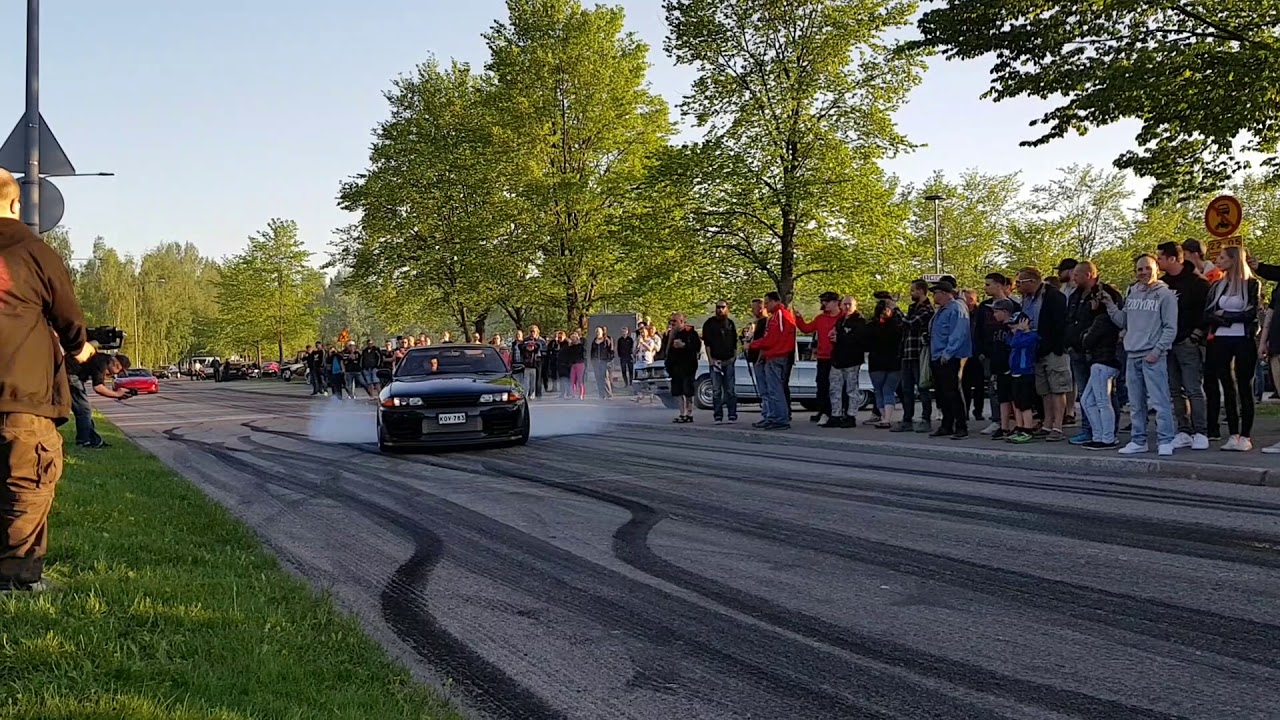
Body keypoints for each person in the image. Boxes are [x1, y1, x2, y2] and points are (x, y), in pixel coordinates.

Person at [1, 168, 96, 592]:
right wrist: (84, 352)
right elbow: (68, 317)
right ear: (16, 203)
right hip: (21, 394)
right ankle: (17, 580)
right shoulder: (33, 249)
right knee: (26, 484)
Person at [1103, 254, 1178, 455]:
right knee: (1136, 402)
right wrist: (1110, 305)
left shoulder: (1165, 295)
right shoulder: (1132, 292)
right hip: (1133, 353)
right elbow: (1124, 321)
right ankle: (1138, 440)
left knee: (1159, 400)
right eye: (1139, 269)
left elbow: (1170, 328)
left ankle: (1166, 440)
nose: (1143, 272)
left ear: (1156, 269)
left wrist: (1157, 351)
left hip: (1152, 354)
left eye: (1147, 268)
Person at [1204, 246, 1262, 452]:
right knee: (1227, 386)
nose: (1218, 261)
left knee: (1244, 386)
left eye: (1222, 257)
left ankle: (1246, 435)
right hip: (1221, 340)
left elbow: (1251, 313)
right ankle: (1233, 433)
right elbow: (1209, 313)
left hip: (1243, 339)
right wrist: (1224, 317)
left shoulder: (1252, 284)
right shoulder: (1218, 285)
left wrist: (1226, 317)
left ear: (1234, 260)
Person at [1157, 242, 1212, 450]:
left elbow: (1206, 312)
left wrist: (1196, 335)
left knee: (1193, 388)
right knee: (1174, 389)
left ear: (1173, 259)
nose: (1158, 261)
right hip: (1166, 343)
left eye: (1161, 257)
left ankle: (1201, 431)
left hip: (1187, 342)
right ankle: (1183, 430)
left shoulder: (1198, 283)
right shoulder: (1161, 285)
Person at [1016, 267, 1070, 441]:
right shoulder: (1026, 299)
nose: (1017, 286)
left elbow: (1060, 324)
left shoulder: (1053, 296)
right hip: (1035, 350)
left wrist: (1054, 346)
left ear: (1031, 281)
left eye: (1020, 282)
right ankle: (1047, 423)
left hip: (1053, 350)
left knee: (1057, 388)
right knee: (1043, 390)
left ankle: (1058, 426)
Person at [1078, 287, 1123, 450]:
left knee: (1102, 401)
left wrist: (1084, 336)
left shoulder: (1102, 319)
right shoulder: (1106, 319)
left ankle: (1107, 438)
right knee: (1087, 400)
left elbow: (1087, 341)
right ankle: (1099, 435)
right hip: (1103, 362)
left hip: (1103, 362)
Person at [926, 281, 973, 439]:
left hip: (950, 357)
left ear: (946, 293)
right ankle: (947, 424)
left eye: (936, 293)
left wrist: (948, 353)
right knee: (941, 393)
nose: (934, 296)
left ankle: (961, 426)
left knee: (952, 392)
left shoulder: (956, 308)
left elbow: (958, 333)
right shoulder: (941, 310)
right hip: (937, 355)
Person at [974, 274, 1018, 436]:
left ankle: (1012, 420)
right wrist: (979, 350)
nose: (985, 288)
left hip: (1007, 352)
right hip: (989, 352)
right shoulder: (984, 306)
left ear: (999, 285)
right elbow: (977, 329)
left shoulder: (1014, 305)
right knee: (993, 387)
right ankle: (996, 419)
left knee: (1010, 388)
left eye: (988, 285)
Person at [749, 292, 797, 429]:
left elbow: (773, 339)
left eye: (767, 302)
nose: (766, 306)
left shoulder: (780, 315)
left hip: (778, 355)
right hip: (774, 355)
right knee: (772, 389)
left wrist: (753, 344)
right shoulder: (776, 316)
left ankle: (781, 418)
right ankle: (774, 416)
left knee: (775, 389)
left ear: (774, 302)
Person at [795, 292, 844, 423]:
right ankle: (823, 411)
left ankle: (837, 412)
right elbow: (806, 328)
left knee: (837, 386)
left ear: (835, 302)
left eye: (826, 302)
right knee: (822, 385)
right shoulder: (821, 318)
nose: (823, 304)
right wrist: (798, 318)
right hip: (823, 357)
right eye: (823, 301)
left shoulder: (843, 318)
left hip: (838, 357)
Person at [892, 280, 934, 433]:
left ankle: (926, 418)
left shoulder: (927, 309)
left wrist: (896, 309)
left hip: (918, 353)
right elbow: (903, 326)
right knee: (906, 389)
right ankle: (907, 419)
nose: (911, 293)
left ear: (921, 291)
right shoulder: (912, 308)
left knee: (923, 388)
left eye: (913, 290)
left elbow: (911, 324)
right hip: (907, 353)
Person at [69, 353, 135, 448]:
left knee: (84, 411)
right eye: (118, 371)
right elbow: (98, 388)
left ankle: (93, 440)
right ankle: (83, 441)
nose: (115, 374)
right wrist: (117, 394)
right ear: (116, 364)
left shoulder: (102, 360)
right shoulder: (101, 362)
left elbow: (100, 385)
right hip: (72, 375)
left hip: (75, 376)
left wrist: (119, 393)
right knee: (84, 410)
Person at [1001, 301, 1039, 444]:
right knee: (1017, 403)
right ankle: (1020, 426)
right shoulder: (1014, 335)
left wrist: (1020, 332)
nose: (1012, 329)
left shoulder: (1031, 337)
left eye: (1014, 325)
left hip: (1025, 373)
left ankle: (1027, 429)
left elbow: (1016, 344)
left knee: (1025, 404)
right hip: (1015, 372)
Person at [826, 296, 867, 429]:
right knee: (834, 389)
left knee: (852, 389)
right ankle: (835, 415)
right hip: (838, 360)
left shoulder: (860, 320)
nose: (847, 307)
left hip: (852, 361)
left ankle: (851, 416)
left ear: (855, 305)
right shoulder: (840, 320)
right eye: (845, 304)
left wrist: (840, 337)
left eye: (850, 304)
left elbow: (858, 338)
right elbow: (835, 334)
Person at [865, 292, 903, 429]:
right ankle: (886, 417)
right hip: (894, 361)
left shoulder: (871, 326)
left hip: (876, 362)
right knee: (888, 390)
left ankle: (882, 417)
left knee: (878, 391)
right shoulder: (897, 325)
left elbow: (866, 343)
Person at [701, 301, 739, 424]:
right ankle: (718, 415)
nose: (720, 310)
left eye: (723, 307)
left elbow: (734, 342)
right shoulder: (709, 324)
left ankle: (732, 415)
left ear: (727, 308)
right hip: (716, 361)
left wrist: (734, 357)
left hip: (728, 360)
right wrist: (711, 360)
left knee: (730, 390)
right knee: (716, 390)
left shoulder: (730, 324)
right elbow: (707, 344)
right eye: (718, 307)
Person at [665, 313, 702, 422]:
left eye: (674, 321)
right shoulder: (670, 334)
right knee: (677, 391)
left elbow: (697, 347)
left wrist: (684, 345)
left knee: (688, 390)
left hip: (688, 366)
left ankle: (689, 413)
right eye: (671, 321)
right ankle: (682, 413)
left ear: (681, 321)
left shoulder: (690, 333)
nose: (672, 323)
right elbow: (666, 350)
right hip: (675, 367)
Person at [589, 326, 615, 399]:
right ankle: (601, 395)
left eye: (599, 331)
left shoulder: (606, 340)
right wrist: (592, 361)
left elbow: (611, 351)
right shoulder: (594, 341)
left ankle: (609, 395)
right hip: (596, 362)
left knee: (605, 378)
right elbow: (592, 352)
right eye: (596, 331)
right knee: (598, 379)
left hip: (605, 362)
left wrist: (609, 360)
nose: (597, 333)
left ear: (602, 332)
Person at [565, 332, 587, 399]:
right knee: (572, 380)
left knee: (580, 380)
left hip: (580, 364)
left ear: (577, 338)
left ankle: (581, 394)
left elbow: (583, 354)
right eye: (571, 338)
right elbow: (568, 355)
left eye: (574, 338)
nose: (573, 340)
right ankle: (573, 394)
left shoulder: (581, 346)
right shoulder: (570, 347)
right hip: (573, 364)